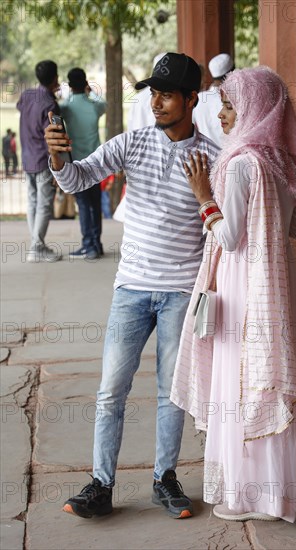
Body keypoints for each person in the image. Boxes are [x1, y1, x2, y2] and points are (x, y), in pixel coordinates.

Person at [45, 52, 220, 519]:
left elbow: (224, 231)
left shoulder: (214, 160)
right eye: (153, 93)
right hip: (131, 290)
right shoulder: (131, 143)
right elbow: (77, 178)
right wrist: (59, 155)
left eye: (166, 95)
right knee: (110, 391)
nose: (157, 102)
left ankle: (165, 479)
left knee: (171, 393)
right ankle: (101, 485)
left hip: (181, 292)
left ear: (192, 99)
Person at [171, 66, 296, 523]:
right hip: (274, 286)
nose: (225, 116)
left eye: (232, 106)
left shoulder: (240, 164)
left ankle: (248, 494)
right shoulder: (283, 162)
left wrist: (202, 196)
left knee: (239, 383)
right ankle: (278, 494)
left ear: (256, 109)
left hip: (240, 286)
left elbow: (230, 237)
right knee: (267, 377)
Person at [17, 60, 62, 262]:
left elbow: (21, 108)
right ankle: (37, 247)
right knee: (44, 204)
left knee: (32, 202)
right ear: (55, 78)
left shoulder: (26, 96)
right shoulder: (50, 105)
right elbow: (52, 138)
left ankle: (36, 243)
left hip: (27, 157)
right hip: (43, 159)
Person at [60, 67, 106, 259]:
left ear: (70, 86)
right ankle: (97, 243)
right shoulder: (95, 105)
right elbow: (103, 102)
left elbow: (58, 107)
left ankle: (89, 245)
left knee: (83, 204)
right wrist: (90, 91)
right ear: (86, 83)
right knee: (95, 204)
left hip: (77, 163)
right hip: (96, 162)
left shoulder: (67, 108)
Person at [193, 53, 234, 146]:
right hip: (229, 155)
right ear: (233, 72)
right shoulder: (233, 99)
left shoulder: (199, 98)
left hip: (205, 156)